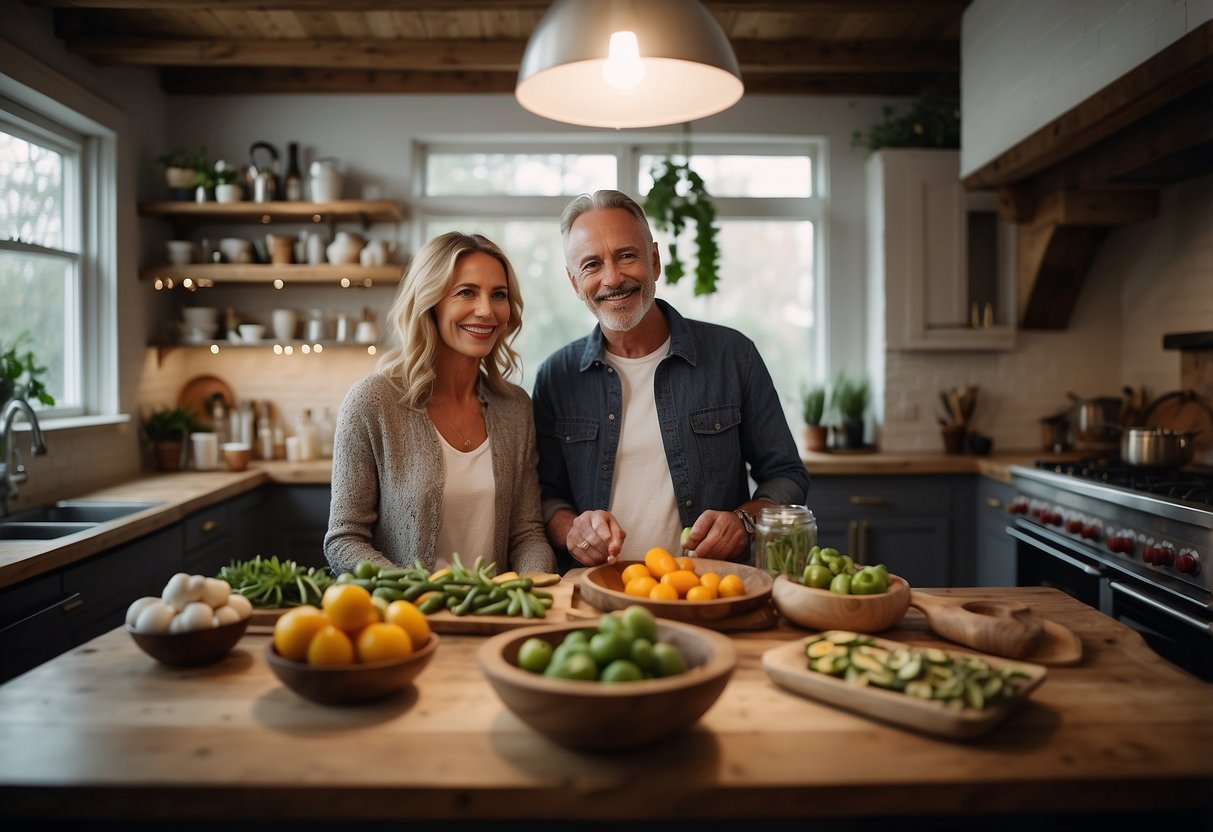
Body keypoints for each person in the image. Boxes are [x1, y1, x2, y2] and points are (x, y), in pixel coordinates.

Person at [533, 189, 809, 568]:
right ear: (574, 282)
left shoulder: (733, 355)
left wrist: (743, 522)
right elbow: (546, 495)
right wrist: (571, 530)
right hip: (597, 592)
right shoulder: (555, 376)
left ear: (655, 261)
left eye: (627, 255)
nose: (613, 278)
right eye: (591, 265)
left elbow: (786, 475)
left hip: (709, 589)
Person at [325, 231, 556, 577]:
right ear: (430, 302)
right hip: (405, 619)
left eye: (499, 295)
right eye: (466, 292)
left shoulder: (515, 407)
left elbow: (527, 533)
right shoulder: (372, 402)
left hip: (495, 617)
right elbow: (344, 540)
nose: (486, 310)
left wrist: (528, 589)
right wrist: (421, 593)